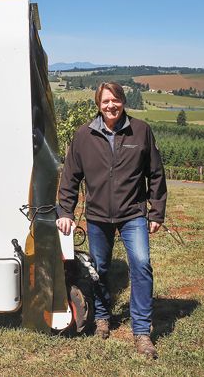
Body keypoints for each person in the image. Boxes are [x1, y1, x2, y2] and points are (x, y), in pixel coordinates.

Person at [56, 82, 167, 359]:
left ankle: (141, 331)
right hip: (97, 216)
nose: (110, 106)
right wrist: (66, 212)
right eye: (105, 102)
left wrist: (156, 211)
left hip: (133, 213)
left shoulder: (140, 131)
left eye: (115, 101)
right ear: (98, 104)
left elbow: (155, 173)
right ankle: (103, 317)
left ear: (123, 101)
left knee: (141, 265)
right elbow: (70, 176)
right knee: (100, 268)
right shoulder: (84, 135)